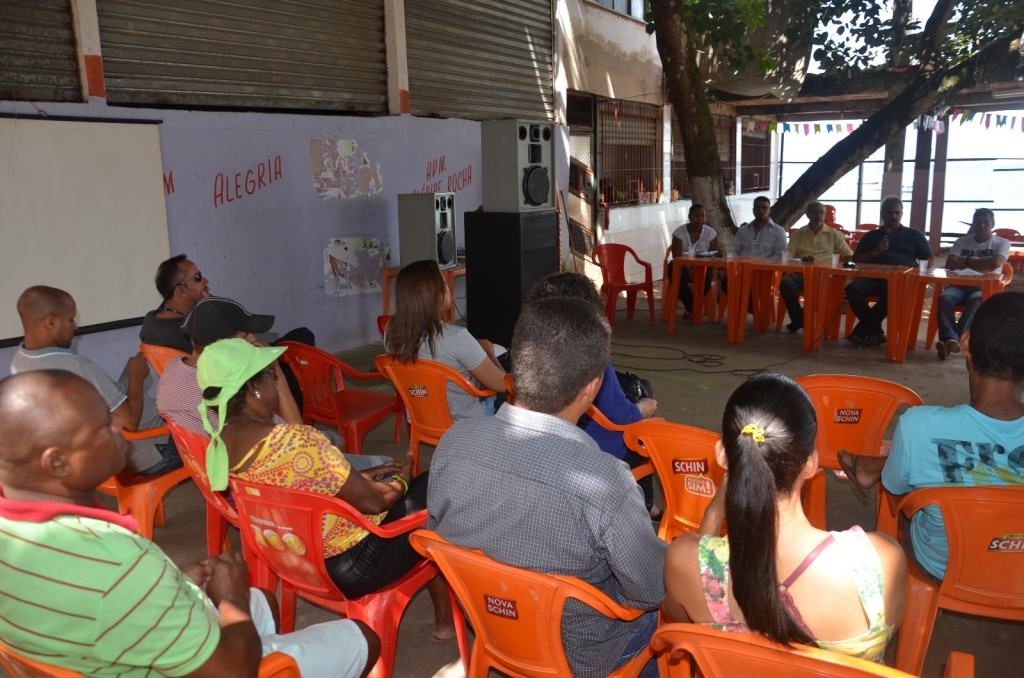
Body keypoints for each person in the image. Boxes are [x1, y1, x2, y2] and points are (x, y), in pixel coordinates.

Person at [0, 370, 380, 678]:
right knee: (363, 636)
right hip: (214, 666)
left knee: (262, 599)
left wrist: (173, 582)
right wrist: (230, 598)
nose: (119, 428)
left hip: (111, 646)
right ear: (57, 463)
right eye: (102, 427)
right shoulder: (120, 565)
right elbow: (232, 671)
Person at [428, 298, 667, 678]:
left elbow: (439, 529)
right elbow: (651, 590)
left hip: (490, 627)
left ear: (515, 365)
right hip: (583, 654)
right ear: (592, 387)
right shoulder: (607, 483)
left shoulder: (452, 445)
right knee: (676, 609)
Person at [197, 339, 457, 641]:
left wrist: (360, 475)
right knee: (435, 484)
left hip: (293, 560)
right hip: (353, 566)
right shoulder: (295, 442)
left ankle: (446, 621)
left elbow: (296, 485)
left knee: (412, 488)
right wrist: (403, 478)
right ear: (254, 388)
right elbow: (378, 501)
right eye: (271, 375)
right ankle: (449, 616)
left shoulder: (221, 444)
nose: (276, 380)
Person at [662, 374, 906, 663]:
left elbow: (679, 621)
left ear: (723, 455)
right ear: (811, 463)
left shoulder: (683, 561)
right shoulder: (880, 563)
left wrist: (713, 515)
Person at [838, 292, 1024, 581]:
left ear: (965, 343)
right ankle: (878, 464)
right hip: (1016, 573)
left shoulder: (919, 425)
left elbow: (897, 490)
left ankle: (877, 465)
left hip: (944, 566)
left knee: (909, 480)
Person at [156, 296, 391, 471]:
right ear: (221, 344)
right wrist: (275, 371)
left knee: (337, 439)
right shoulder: (228, 390)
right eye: (244, 334)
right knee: (388, 463)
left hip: (229, 473)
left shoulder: (175, 369)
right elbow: (298, 436)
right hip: (279, 471)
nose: (252, 339)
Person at [524, 272, 661, 519]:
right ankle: (647, 504)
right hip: (600, 449)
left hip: (544, 448)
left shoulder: (526, 352)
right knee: (646, 433)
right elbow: (621, 415)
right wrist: (642, 409)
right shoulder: (595, 364)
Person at [10, 286, 180, 476]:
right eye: (71, 320)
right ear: (51, 323)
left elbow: (101, 399)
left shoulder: (21, 361)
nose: (75, 327)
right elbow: (129, 421)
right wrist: (136, 377)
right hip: (152, 449)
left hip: (101, 456)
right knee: (210, 429)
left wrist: (128, 374)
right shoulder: (76, 368)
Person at [384, 259, 505, 419]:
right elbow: (503, 385)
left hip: (423, 418)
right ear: (436, 295)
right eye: (444, 283)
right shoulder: (457, 337)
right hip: (464, 422)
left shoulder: (391, 331)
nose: (448, 286)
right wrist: (488, 352)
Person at [847, 197, 934, 347]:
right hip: (872, 277)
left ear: (901, 214)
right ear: (882, 214)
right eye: (889, 213)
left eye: (897, 213)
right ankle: (876, 332)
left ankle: (862, 331)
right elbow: (857, 259)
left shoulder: (914, 235)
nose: (893, 216)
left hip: (899, 279)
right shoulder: (871, 236)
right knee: (852, 289)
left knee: (893, 290)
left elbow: (930, 258)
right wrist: (876, 251)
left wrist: (917, 272)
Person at [935, 208, 1009, 360]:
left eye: (986, 222)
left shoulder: (1001, 243)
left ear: (992, 224)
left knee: (976, 300)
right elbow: (950, 263)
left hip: (983, 287)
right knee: (944, 298)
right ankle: (953, 340)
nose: (982, 226)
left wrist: (965, 261)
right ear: (973, 224)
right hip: (958, 285)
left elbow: (995, 262)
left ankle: (951, 340)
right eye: (978, 222)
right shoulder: (962, 241)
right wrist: (981, 266)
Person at [781, 201, 854, 332]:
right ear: (807, 215)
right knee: (786, 283)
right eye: (815, 212)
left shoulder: (833, 234)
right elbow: (790, 255)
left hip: (825, 275)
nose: (819, 215)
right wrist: (790, 268)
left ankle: (798, 321)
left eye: (822, 212)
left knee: (819, 287)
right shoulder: (798, 234)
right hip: (802, 273)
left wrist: (844, 266)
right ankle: (800, 320)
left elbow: (848, 253)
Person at [721, 196, 788, 302]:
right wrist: (730, 256)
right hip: (742, 269)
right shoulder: (743, 230)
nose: (760, 210)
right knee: (726, 282)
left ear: (769, 211)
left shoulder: (778, 231)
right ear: (753, 210)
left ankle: (746, 309)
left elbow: (779, 256)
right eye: (757, 207)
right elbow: (735, 250)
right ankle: (753, 309)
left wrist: (761, 263)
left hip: (764, 271)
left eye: (764, 208)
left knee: (750, 285)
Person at [667, 204, 719, 321]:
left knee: (707, 276)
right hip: (683, 266)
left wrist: (699, 266)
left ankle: (691, 308)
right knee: (674, 270)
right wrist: (687, 267)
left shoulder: (711, 233)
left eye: (703, 216)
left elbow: (713, 256)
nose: (700, 219)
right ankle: (692, 307)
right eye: (697, 216)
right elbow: (676, 256)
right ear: (689, 217)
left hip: (703, 266)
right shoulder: (679, 232)